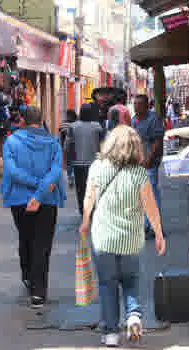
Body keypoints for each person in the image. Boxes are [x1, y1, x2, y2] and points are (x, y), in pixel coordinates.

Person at [78, 125, 166, 347]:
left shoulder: (97, 167)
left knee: (107, 284)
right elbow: (150, 207)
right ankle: (134, 316)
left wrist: (85, 221)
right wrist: (158, 233)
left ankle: (110, 333)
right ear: (136, 147)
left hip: (104, 238)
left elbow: (89, 198)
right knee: (131, 280)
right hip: (131, 239)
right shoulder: (139, 173)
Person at [1, 106, 66, 309]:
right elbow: (55, 171)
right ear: (42, 120)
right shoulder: (54, 143)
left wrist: (32, 187)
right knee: (42, 244)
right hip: (47, 198)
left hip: (19, 199)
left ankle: (28, 275)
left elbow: (12, 171)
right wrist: (40, 192)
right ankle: (39, 292)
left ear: (22, 120)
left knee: (26, 237)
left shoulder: (11, 142)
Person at [131, 94, 165, 240]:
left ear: (146, 106)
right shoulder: (134, 120)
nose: (136, 107)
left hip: (149, 163)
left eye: (139, 104)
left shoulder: (153, 119)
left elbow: (157, 141)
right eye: (135, 104)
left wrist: (149, 158)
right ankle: (146, 224)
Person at [65, 104, 105, 216]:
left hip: (78, 164)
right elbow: (103, 144)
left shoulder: (73, 126)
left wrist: (67, 160)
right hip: (94, 163)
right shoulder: (97, 127)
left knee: (81, 188)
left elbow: (67, 145)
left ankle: (83, 210)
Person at [60, 110, 77, 188]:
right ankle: (73, 176)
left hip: (67, 146)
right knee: (74, 162)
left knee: (69, 163)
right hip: (76, 145)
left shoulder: (63, 124)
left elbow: (61, 136)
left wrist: (62, 146)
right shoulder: (77, 123)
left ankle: (70, 177)